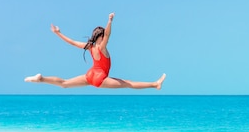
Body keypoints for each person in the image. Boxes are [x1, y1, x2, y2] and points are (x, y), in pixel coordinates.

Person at [24, 13, 166, 90]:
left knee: (65, 83)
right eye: (104, 36)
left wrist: (58, 33)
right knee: (128, 83)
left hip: (90, 74)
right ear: (101, 37)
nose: (106, 38)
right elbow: (109, 35)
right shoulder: (101, 47)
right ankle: (155, 84)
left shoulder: (89, 47)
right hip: (100, 78)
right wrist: (110, 21)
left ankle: (41, 79)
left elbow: (72, 42)